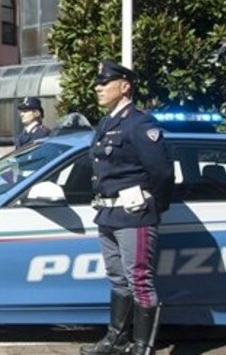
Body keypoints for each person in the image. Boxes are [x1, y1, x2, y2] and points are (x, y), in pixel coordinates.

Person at [81, 61, 174, 355]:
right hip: (107, 214)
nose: (98, 87)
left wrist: (152, 206)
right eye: (97, 82)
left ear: (124, 86)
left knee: (139, 280)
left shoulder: (140, 123)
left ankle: (142, 347)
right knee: (118, 278)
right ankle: (116, 339)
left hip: (134, 215)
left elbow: (162, 173)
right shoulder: (107, 123)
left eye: (105, 82)